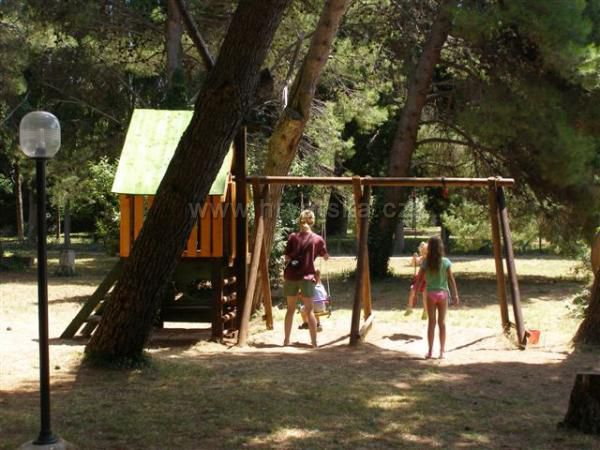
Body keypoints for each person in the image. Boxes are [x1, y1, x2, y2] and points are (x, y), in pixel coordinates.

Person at [283, 210, 329, 348]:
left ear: (300, 221)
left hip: (291, 276)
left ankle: (286, 340)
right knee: (309, 310)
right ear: (312, 222)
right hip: (307, 277)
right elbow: (325, 256)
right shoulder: (318, 239)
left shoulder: (293, 237)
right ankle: (314, 343)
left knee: (290, 310)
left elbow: (287, 257)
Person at [415, 235, 460, 359]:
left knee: (431, 323)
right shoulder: (446, 262)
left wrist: (415, 294)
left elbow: (419, 279)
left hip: (430, 294)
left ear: (429, 247)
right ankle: (442, 352)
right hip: (443, 294)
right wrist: (455, 294)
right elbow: (451, 280)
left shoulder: (426, 262)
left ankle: (430, 351)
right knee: (442, 323)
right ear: (440, 247)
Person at [406, 242, 428, 313]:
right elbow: (413, 264)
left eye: (424, 250)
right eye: (421, 250)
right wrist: (414, 258)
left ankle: (425, 310)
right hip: (419, 279)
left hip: (426, 280)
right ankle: (409, 308)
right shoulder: (421, 259)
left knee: (425, 295)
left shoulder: (429, 259)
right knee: (412, 292)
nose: (422, 252)